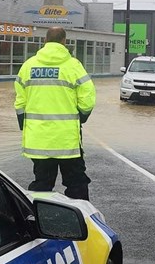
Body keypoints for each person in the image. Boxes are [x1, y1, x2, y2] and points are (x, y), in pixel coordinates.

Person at [14, 26, 96, 200]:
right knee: (76, 184)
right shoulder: (73, 66)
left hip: (39, 140)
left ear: (45, 41)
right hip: (67, 141)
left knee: (42, 184)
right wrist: (81, 116)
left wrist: (24, 124)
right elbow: (88, 98)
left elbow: (19, 103)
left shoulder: (28, 66)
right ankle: (81, 220)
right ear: (64, 41)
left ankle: (37, 220)